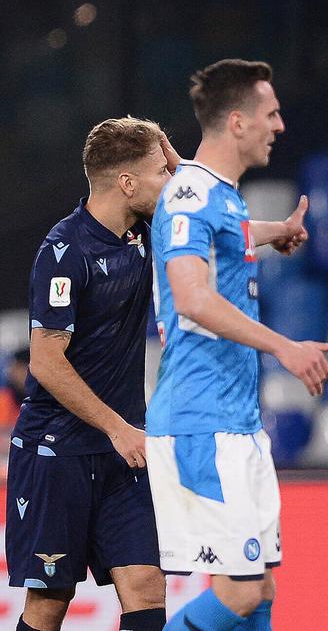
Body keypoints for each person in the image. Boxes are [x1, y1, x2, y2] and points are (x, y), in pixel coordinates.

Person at [147, 59, 328, 631]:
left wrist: (271, 232)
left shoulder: (223, 197)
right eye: (270, 113)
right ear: (236, 122)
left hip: (237, 422)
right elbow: (192, 298)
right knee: (241, 592)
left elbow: (223, 236)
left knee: (263, 588)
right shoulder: (188, 193)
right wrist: (283, 346)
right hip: (202, 421)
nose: (279, 125)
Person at [5, 118, 176, 631]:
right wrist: (117, 427)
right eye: (159, 171)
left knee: (146, 588)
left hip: (121, 456)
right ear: (127, 182)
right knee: (49, 605)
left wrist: (276, 231)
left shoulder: (144, 233)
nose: (170, 181)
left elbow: (207, 211)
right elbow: (46, 362)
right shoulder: (64, 252)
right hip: (57, 453)